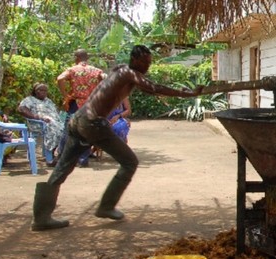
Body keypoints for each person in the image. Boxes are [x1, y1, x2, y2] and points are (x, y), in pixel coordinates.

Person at [31, 45, 204, 232]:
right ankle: (106, 206)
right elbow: (153, 88)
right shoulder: (129, 73)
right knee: (130, 162)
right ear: (135, 60)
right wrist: (188, 93)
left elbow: (142, 83)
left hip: (77, 120)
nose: (147, 66)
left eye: (149, 62)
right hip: (92, 123)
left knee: (63, 168)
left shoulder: (120, 71)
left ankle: (41, 217)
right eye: (145, 62)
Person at [57, 49, 106, 167]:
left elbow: (60, 79)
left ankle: (62, 158)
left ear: (76, 58)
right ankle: (83, 160)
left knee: (68, 130)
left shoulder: (73, 70)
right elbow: (106, 77)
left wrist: (66, 96)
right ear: (87, 58)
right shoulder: (96, 70)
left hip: (76, 103)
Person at [18, 83, 66, 166]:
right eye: (41, 90)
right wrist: (38, 117)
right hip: (38, 123)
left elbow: (55, 112)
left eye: (45, 91)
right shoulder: (29, 100)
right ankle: (51, 157)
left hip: (54, 122)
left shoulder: (48, 100)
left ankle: (60, 154)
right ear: (36, 91)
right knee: (55, 129)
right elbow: (21, 109)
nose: (44, 92)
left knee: (67, 130)